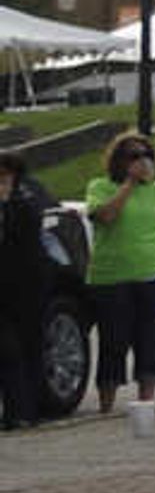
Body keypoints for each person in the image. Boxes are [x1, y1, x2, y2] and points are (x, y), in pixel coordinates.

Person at [80, 130, 155, 431]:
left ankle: (145, 404)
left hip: (153, 275)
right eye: (134, 156)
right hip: (111, 277)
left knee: (149, 339)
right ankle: (106, 405)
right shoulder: (100, 186)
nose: (142, 161)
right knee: (113, 340)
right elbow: (105, 216)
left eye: (146, 156)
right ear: (119, 161)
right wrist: (129, 184)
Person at [0, 149, 52, 428]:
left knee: (27, 345)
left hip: (27, 283)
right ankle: (15, 410)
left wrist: (8, 200)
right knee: (8, 348)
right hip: (6, 285)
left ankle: (26, 410)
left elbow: (31, 226)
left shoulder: (28, 196)